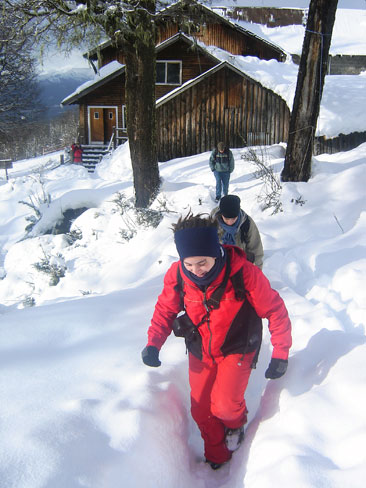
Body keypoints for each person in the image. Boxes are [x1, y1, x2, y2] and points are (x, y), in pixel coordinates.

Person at [141, 212, 291, 470]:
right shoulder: (177, 275)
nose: (196, 270)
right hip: (201, 349)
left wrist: (280, 353)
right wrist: (153, 343)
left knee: (224, 406)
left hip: (238, 346)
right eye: (189, 264)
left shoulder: (244, 273)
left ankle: (236, 426)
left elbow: (275, 310)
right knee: (201, 411)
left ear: (216, 252)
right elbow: (165, 310)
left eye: (202, 263)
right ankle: (217, 455)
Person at [211, 195, 264, 269]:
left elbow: (255, 249)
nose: (230, 222)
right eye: (226, 218)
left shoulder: (246, 223)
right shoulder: (212, 223)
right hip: (218, 264)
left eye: (233, 218)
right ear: (221, 214)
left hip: (240, 263)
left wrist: (257, 271)